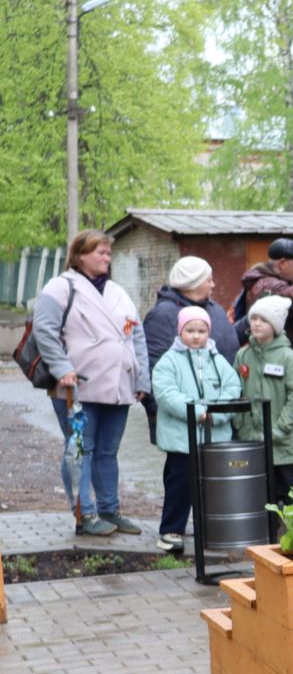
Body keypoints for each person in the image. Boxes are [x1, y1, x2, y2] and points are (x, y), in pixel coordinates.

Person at [33, 230, 147, 537]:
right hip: (76, 386)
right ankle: (84, 513)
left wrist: (141, 378)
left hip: (118, 387)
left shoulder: (118, 292)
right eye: (101, 252)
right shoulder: (60, 287)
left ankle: (110, 509)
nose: (107, 258)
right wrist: (61, 367)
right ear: (80, 255)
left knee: (108, 452)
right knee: (80, 449)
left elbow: (136, 336)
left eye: (109, 253)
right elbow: (44, 330)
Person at [152, 306, 243, 553]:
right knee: (180, 485)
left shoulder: (218, 360)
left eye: (201, 331)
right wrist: (196, 412)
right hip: (181, 440)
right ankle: (171, 530)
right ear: (180, 331)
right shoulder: (168, 361)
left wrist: (216, 414)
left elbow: (233, 388)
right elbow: (166, 393)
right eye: (190, 330)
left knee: (214, 486)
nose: (196, 336)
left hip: (214, 439)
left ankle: (212, 529)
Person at [233, 296, 293, 522]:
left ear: (275, 326)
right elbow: (235, 392)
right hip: (251, 438)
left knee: (289, 489)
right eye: (253, 318)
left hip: (280, 440)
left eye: (263, 320)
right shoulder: (243, 355)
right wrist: (240, 423)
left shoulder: (288, 357)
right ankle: (267, 536)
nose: (256, 324)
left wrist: (280, 428)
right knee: (260, 491)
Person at [232, 238, 293, 393]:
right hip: (278, 376)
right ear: (283, 263)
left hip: (281, 371)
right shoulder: (270, 285)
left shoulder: (267, 282)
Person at [144, 257, 240, 373]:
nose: (213, 285)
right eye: (208, 281)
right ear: (194, 284)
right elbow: (155, 364)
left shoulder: (215, 308)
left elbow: (228, 338)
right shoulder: (162, 315)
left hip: (226, 387)